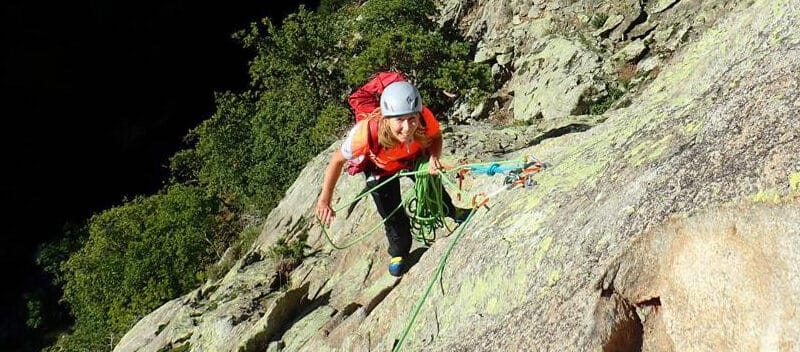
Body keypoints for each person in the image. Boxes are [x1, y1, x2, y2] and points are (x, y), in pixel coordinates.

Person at [316, 81, 466, 277]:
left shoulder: (424, 116)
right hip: (381, 167)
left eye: (412, 119)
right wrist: (324, 200)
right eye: (399, 120)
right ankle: (399, 252)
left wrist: (433, 157)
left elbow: (436, 137)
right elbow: (336, 161)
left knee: (430, 184)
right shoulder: (364, 133)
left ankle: (451, 210)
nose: (407, 127)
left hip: (411, 158)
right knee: (390, 213)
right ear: (387, 119)